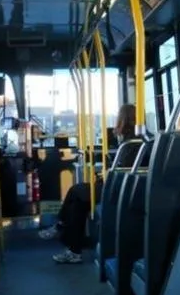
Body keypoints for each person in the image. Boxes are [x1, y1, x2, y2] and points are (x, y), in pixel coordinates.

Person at [39, 104, 137, 264]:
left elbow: (121, 170)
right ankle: (73, 250)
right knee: (78, 203)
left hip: (117, 189)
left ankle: (61, 226)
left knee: (75, 191)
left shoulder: (129, 143)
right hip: (120, 186)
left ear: (123, 119)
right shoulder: (137, 139)